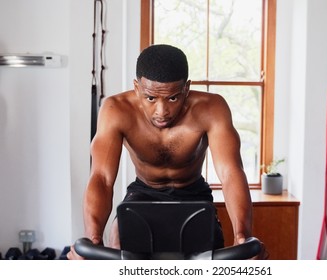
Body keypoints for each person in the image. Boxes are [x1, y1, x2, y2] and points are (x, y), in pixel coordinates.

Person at [67, 44, 253, 259]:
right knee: (116, 244)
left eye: (172, 98)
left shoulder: (211, 108)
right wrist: (92, 239)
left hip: (193, 193)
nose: (162, 111)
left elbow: (231, 173)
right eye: (151, 98)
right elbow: (102, 178)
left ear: (186, 88)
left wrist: (243, 236)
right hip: (143, 192)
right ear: (137, 88)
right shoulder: (116, 109)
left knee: (209, 255)